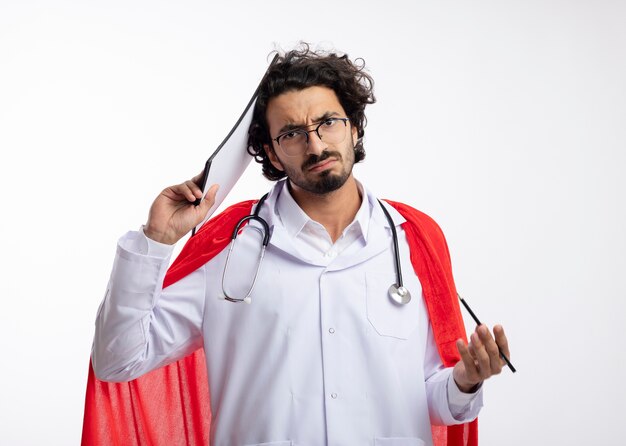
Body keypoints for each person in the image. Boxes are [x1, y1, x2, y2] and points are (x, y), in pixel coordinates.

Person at [90, 45, 511, 446]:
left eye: (328, 122)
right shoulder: (228, 247)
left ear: (355, 128)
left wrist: (465, 380)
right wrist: (155, 240)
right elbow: (118, 361)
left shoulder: (413, 239)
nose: (315, 145)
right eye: (292, 133)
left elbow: (432, 401)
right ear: (272, 155)